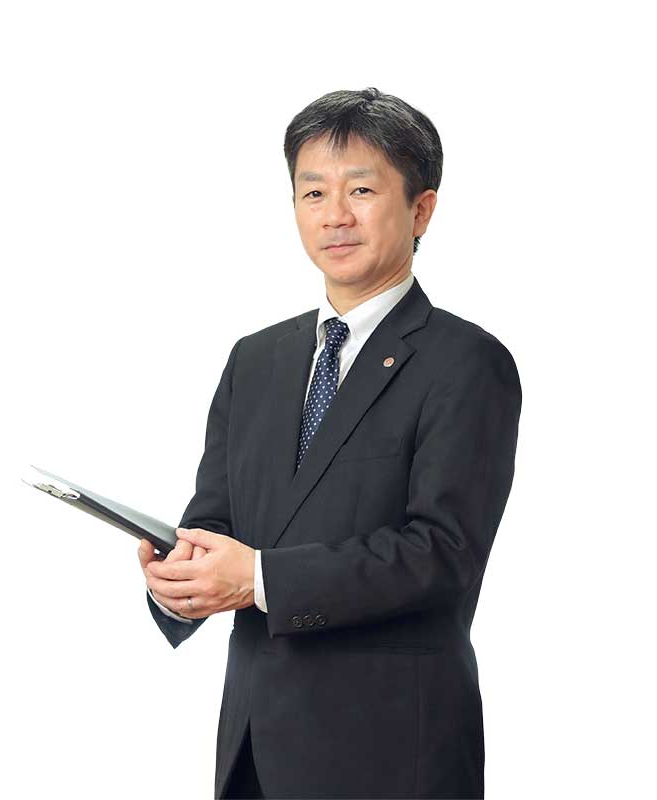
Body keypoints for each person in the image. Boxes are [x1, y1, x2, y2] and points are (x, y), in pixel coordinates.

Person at [137, 87, 521, 799]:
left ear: (421, 210)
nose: (334, 215)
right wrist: (181, 584)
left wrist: (259, 579)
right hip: (255, 749)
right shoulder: (255, 361)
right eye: (313, 192)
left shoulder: (466, 362)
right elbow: (217, 523)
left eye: (362, 190)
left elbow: (442, 554)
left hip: (389, 754)